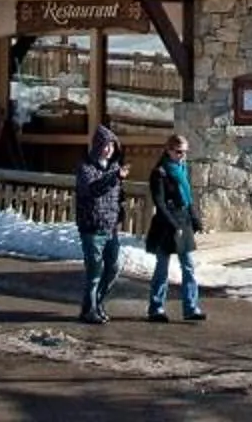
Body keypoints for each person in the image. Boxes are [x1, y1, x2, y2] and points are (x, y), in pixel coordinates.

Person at [143, 133, 204, 322]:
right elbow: (159, 203)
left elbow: (187, 198)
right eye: (178, 152)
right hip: (165, 224)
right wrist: (173, 224)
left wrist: (194, 219)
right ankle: (156, 308)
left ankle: (191, 307)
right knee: (162, 268)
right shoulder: (159, 172)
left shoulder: (182, 168)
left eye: (185, 152)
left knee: (188, 267)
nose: (182, 156)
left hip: (183, 220)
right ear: (168, 150)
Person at [72, 123, 128, 324]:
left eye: (112, 146)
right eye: (105, 145)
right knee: (94, 271)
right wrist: (114, 178)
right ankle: (88, 310)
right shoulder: (85, 168)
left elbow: (118, 196)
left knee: (113, 268)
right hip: (92, 227)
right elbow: (93, 189)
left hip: (110, 227)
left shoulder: (114, 167)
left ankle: (98, 302)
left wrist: (120, 214)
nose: (108, 150)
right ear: (97, 146)